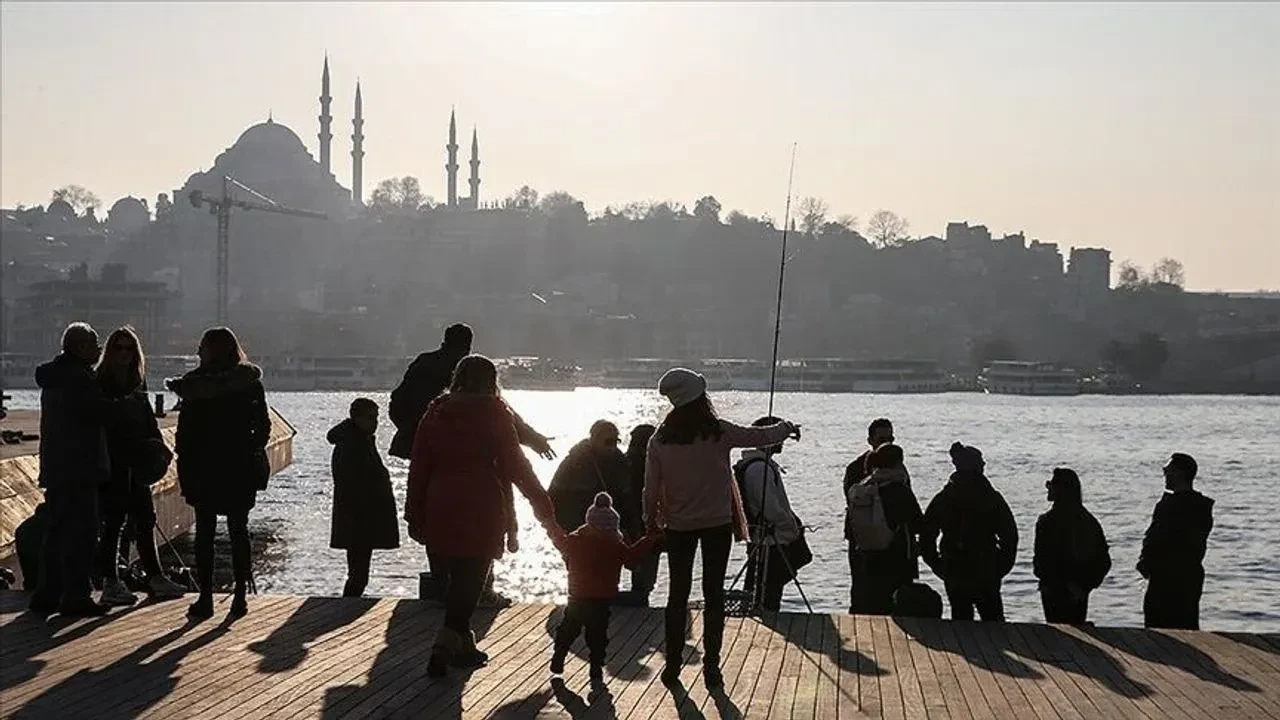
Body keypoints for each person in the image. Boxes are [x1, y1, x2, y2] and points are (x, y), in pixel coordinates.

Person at [644, 367, 800, 689]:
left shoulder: (659, 440)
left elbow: (650, 489)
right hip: (716, 524)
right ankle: (712, 666)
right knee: (713, 594)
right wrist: (786, 427)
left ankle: (672, 666)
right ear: (700, 398)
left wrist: (650, 522)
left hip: (678, 526)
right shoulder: (718, 433)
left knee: (677, 595)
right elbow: (760, 436)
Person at [404, 354, 558, 677]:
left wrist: (414, 512)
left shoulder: (436, 411)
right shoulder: (495, 412)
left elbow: (419, 466)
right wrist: (542, 502)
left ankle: (463, 646)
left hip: (440, 501)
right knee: (471, 579)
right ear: (491, 381)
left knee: (456, 580)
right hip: (481, 503)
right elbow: (516, 464)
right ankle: (444, 644)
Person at [388, 323, 555, 603]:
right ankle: (482, 591)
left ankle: (443, 585)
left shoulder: (430, 392)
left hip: (436, 468)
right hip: (482, 479)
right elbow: (511, 442)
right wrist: (536, 443)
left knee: (436, 525)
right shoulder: (487, 399)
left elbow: (397, 403)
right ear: (468, 344)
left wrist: (411, 432)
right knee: (483, 535)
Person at [168, 327, 271, 621]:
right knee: (239, 530)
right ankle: (240, 596)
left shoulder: (194, 385)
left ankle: (205, 597)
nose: (198, 351)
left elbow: (185, 431)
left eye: (202, 346)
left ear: (208, 350)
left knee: (205, 533)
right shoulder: (248, 383)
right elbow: (262, 424)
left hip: (204, 465)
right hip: (238, 465)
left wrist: (185, 461)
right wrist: (251, 448)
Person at [94, 327, 186, 606]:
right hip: (114, 461)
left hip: (137, 459)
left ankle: (155, 577)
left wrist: (158, 443)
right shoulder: (102, 382)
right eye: (119, 348)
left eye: (129, 348)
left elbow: (147, 418)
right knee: (114, 522)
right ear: (110, 352)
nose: (124, 353)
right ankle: (110, 581)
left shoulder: (136, 380)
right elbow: (104, 420)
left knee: (145, 518)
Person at [29, 322, 111, 617]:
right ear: (80, 347)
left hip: (57, 465)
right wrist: (126, 406)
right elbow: (97, 412)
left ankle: (47, 593)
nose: (99, 349)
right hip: (80, 467)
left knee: (56, 531)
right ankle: (77, 595)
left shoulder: (55, 376)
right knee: (83, 533)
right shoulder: (79, 378)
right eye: (94, 343)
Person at [548, 492, 661, 684]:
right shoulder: (614, 544)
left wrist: (550, 524)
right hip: (601, 598)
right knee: (597, 635)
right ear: (613, 525)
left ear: (589, 521)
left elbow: (558, 539)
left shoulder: (575, 541)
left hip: (577, 596)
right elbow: (631, 560)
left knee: (568, 628)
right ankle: (595, 669)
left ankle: (559, 655)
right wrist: (649, 539)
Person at [918, 442, 1018, 622]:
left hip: (956, 568)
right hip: (984, 568)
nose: (984, 464)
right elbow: (1009, 535)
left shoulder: (945, 497)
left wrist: (938, 565)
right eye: (980, 461)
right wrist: (1001, 566)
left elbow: (926, 536)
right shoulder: (990, 497)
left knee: (961, 622)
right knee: (994, 623)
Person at [328, 397, 399, 598]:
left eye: (376, 418)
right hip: (359, 518)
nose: (375, 422)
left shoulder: (358, 440)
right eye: (371, 417)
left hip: (360, 517)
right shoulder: (352, 444)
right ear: (357, 417)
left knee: (358, 572)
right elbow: (353, 482)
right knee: (358, 573)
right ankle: (349, 604)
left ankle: (349, 603)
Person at [1138, 453, 1214, 630]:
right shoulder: (1199, 506)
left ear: (1179, 473)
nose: (1164, 472)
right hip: (1184, 576)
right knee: (1183, 625)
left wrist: (1147, 562)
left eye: (1168, 469)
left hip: (1169, 578)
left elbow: (1159, 539)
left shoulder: (1174, 506)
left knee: (1161, 626)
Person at [736, 416, 804, 612]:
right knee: (768, 591)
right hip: (769, 540)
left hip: (763, 537)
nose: (781, 441)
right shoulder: (759, 469)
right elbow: (771, 508)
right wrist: (791, 527)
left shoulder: (756, 465)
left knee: (762, 587)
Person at [848, 443, 923, 615]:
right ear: (898, 463)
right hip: (897, 556)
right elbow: (917, 523)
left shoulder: (865, 487)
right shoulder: (899, 489)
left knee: (874, 601)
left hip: (868, 553)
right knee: (896, 603)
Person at [1033, 468, 1111, 624]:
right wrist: (1084, 586)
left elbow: (1042, 560)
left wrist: (1050, 582)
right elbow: (1103, 561)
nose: (1048, 488)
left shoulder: (1047, 521)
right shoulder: (1088, 521)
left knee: (1056, 632)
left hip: (1054, 592)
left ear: (1061, 490)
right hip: (1077, 592)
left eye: (1051, 484)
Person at [842, 418, 894, 613]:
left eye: (890, 439)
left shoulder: (896, 468)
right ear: (870, 440)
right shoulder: (856, 468)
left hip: (887, 538)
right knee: (861, 589)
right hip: (861, 538)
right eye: (882, 439)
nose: (887, 443)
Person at [548, 420, 630, 535]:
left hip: (613, 530)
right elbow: (554, 495)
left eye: (616, 441)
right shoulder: (575, 463)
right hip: (579, 530)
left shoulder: (620, 462)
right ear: (594, 440)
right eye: (608, 442)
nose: (612, 447)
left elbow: (627, 498)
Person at [621, 424, 659, 606]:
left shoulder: (621, 462)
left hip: (623, 521)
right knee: (645, 566)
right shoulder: (651, 463)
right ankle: (641, 599)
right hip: (644, 521)